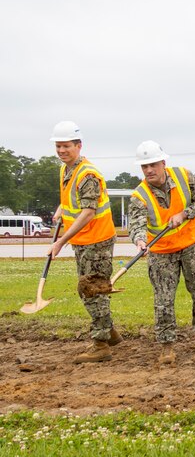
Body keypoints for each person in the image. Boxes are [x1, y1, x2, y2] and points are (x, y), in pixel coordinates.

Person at [128, 141, 195, 364]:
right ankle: (166, 347)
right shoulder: (139, 195)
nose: (149, 170)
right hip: (161, 252)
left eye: (153, 164)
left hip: (192, 244)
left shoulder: (185, 176)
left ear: (163, 162)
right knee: (163, 300)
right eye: (144, 167)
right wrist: (140, 240)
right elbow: (136, 225)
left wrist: (184, 214)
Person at [49, 121, 121, 363]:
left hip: (96, 240)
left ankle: (101, 345)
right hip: (82, 240)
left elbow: (88, 211)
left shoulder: (87, 174)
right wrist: (61, 208)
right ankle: (109, 332)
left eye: (66, 146)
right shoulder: (66, 169)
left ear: (78, 146)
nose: (61, 151)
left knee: (93, 290)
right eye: (58, 146)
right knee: (89, 289)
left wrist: (60, 242)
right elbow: (73, 200)